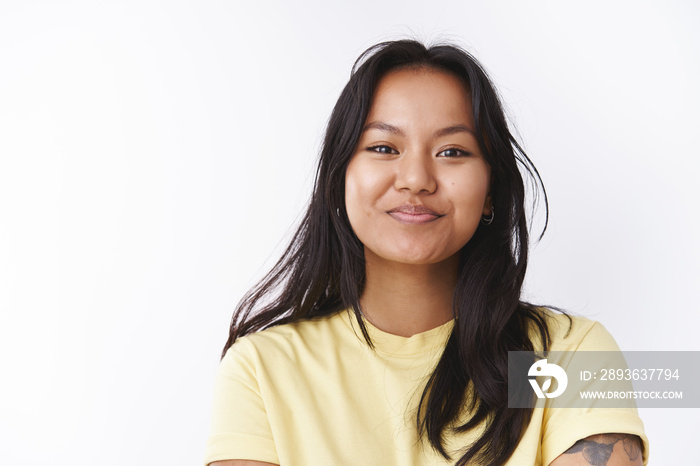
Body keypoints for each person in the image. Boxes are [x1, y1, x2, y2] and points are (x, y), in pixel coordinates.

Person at [204, 39, 648, 466]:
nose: (416, 178)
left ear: (491, 189)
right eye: (383, 148)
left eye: (452, 151)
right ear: (341, 178)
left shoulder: (572, 355)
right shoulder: (261, 369)